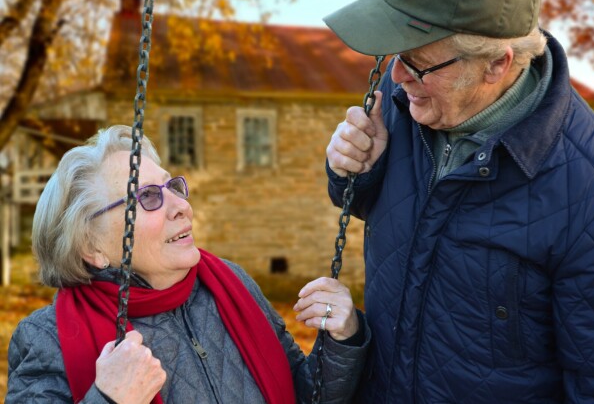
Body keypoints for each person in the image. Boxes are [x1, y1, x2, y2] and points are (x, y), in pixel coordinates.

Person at [323, 0, 594, 402]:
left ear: (497, 65)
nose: (397, 76)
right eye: (394, 56)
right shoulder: (407, 98)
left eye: (417, 64)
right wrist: (353, 168)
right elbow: (370, 206)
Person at [7, 125, 370, 404]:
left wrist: (341, 339)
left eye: (172, 187)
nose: (180, 205)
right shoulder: (46, 338)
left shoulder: (231, 285)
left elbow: (304, 394)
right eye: (147, 197)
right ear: (92, 246)